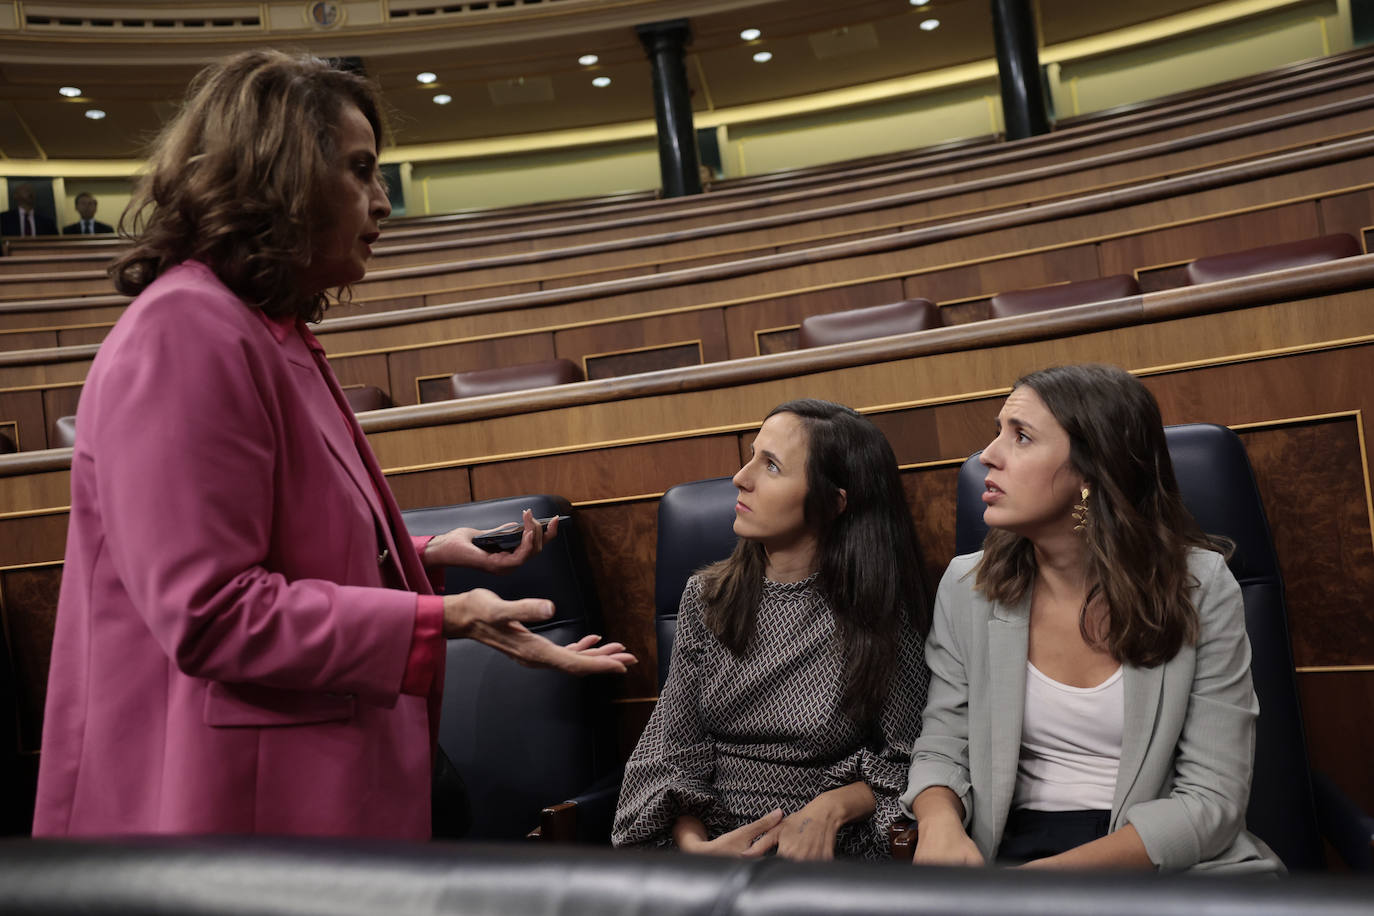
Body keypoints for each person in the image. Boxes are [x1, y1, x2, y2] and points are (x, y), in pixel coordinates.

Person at [32, 50, 634, 840]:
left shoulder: (263, 327)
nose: (383, 201)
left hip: (300, 779)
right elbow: (212, 611)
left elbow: (277, 542)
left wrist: (422, 553)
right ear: (281, 178)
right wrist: (447, 617)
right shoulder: (184, 331)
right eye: (359, 170)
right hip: (227, 805)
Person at [901, 364, 1282, 874]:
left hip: (1158, 858)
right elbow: (943, 744)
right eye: (998, 432)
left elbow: (1212, 798)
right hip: (1009, 849)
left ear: (1091, 469)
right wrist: (940, 825)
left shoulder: (1200, 585)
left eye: (1021, 436)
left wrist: (1045, 886)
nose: (988, 455)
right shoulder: (965, 585)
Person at [613, 399, 930, 861]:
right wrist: (696, 849)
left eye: (772, 466)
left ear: (833, 502)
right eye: (752, 457)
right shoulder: (705, 597)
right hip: (711, 843)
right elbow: (672, 756)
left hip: (824, 850)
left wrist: (832, 807)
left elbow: (911, 760)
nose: (741, 478)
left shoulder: (881, 609)